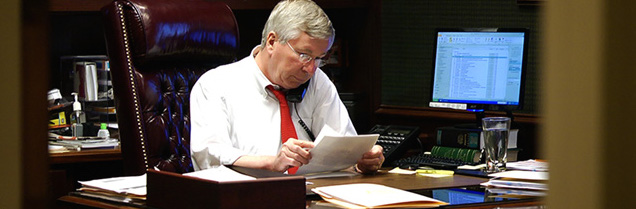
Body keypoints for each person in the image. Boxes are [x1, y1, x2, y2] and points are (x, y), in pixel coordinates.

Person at [190, 0, 383, 174]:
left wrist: (360, 161)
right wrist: (272, 163)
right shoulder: (216, 84)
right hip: (246, 196)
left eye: (319, 58)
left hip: (312, 195)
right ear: (272, 42)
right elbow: (210, 158)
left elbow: (342, 145)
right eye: (304, 55)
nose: (310, 69)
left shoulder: (317, 81)